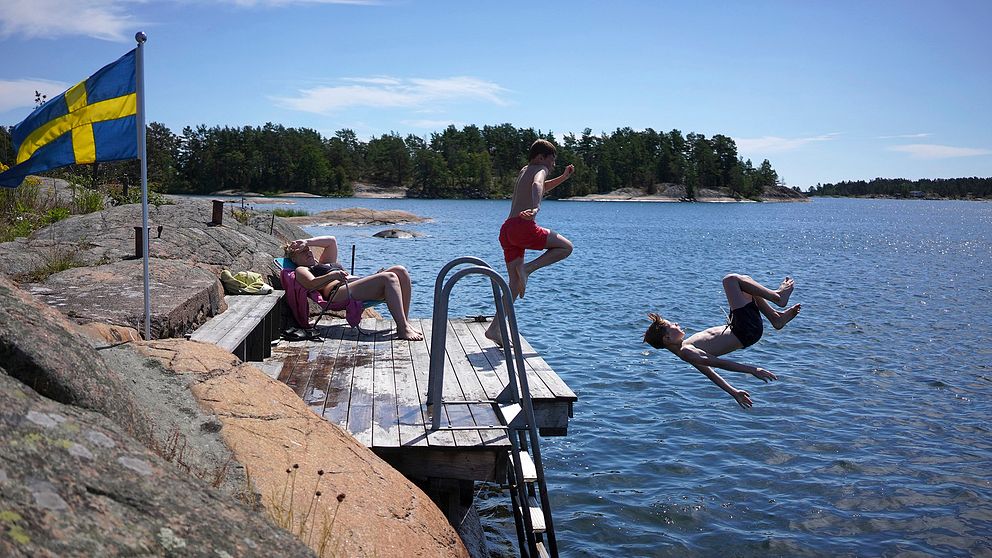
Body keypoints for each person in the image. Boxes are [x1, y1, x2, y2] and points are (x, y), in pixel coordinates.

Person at [643, 273, 801, 408]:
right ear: (667, 337)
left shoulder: (685, 350)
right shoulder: (687, 351)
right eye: (673, 325)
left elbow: (711, 374)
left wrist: (733, 392)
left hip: (742, 329)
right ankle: (778, 297)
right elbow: (719, 364)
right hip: (745, 331)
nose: (677, 324)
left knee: (745, 283)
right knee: (730, 280)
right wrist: (753, 370)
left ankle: (775, 318)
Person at [485, 139, 575, 345]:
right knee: (566, 247)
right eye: (552, 161)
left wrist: (563, 177)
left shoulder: (525, 169)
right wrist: (535, 209)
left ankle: (495, 328)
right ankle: (529, 268)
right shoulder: (540, 169)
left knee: (514, 284)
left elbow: (541, 186)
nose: (552, 166)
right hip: (522, 226)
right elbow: (538, 184)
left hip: (507, 229)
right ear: (541, 157)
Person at [284, 235, 423, 341]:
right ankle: (403, 329)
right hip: (337, 293)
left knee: (401, 271)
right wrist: (332, 276)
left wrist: (307, 242)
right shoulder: (301, 269)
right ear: (294, 260)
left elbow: (331, 241)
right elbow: (311, 283)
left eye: (308, 250)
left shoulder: (324, 262)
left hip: (353, 285)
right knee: (390, 277)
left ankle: (404, 323)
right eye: (303, 252)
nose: (308, 252)